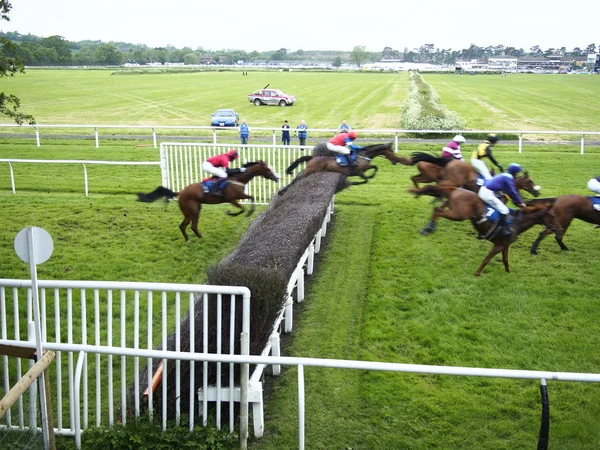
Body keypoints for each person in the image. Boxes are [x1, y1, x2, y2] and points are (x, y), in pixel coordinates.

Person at [478, 163, 527, 236]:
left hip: (484, 190)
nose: (517, 175)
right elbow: (513, 192)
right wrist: (521, 202)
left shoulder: (504, 174)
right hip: (487, 194)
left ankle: (482, 229)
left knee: (498, 207)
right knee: (504, 210)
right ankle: (501, 229)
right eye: (517, 173)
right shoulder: (509, 178)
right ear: (514, 172)